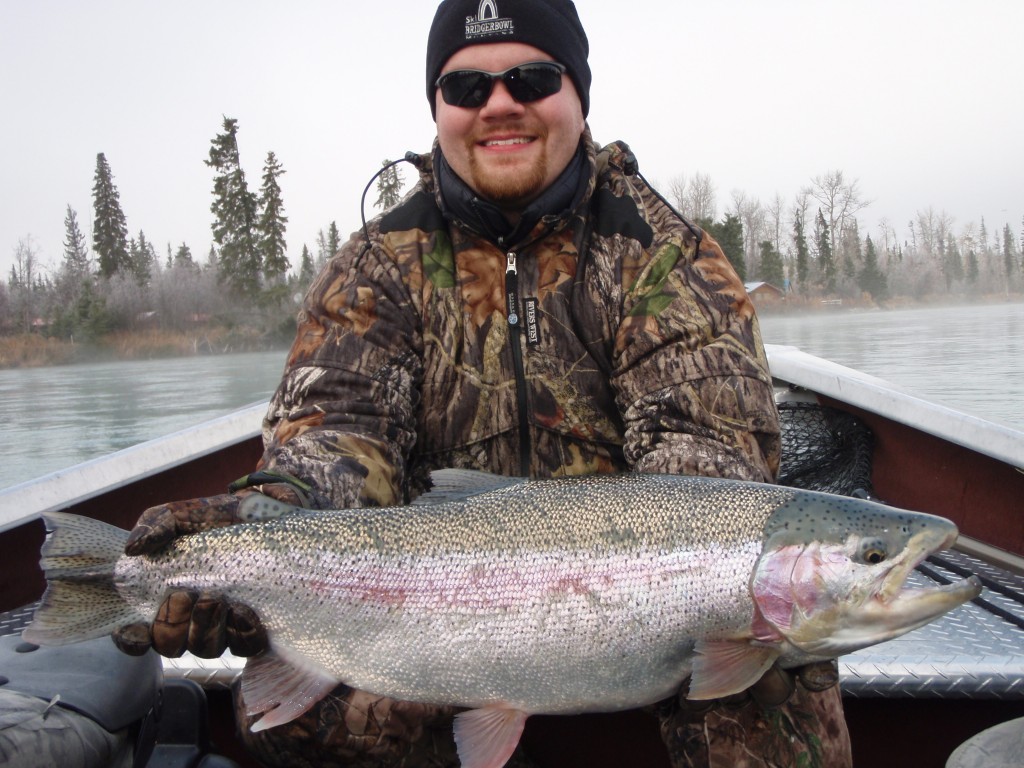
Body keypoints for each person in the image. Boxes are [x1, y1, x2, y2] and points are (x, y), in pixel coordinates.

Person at [115, 1, 852, 766]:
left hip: (641, 600)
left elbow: (710, 459)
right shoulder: (375, 269)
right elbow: (336, 437)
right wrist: (255, 519)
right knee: (311, 721)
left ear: (577, 94)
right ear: (438, 107)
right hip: (434, 599)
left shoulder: (665, 257)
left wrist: (650, 598)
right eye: (466, 88)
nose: (499, 103)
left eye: (531, 77)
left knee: (774, 684)